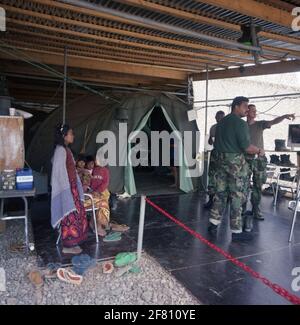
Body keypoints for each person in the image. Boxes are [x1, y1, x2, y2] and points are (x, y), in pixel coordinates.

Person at [209, 97, 265, 241]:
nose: (247, 110)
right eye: (245, 106)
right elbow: (246, 148)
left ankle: (213, 223)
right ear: (236, 107)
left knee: (220, 193)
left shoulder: (221, 123)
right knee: (237, 196)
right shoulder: (240, 124)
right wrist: (259, 150)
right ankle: (236, 231)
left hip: (220, 163)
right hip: (235, 165)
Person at [244, 105, 295, 221]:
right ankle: (241, 209)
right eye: (253, 111)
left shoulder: (260, 124)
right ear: (247, 112)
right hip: (244, 159)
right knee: (243, 185)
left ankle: (256, 209)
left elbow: (273, 121)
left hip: (258, 159)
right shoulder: (241, 126)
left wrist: (284, 116)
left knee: (258, 185)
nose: (255, 112)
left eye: (256, 111)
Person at [51, 124, 88, 255]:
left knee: (75, 214)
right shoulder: (60, 151)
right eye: (71, 133)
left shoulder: (66, 150)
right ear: (63, 136)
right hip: (67, 188)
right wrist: (67, 192)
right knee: (69, 216)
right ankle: (67, 246)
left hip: (72, 188)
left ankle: (74, 241)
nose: (73, 135)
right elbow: (59, 174)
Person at [204, 111, 225, 208]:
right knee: (212, 177)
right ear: (215, 117)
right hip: (214, 153)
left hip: (224, 155)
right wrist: (210, 139)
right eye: (218, 117)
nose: (219, 118)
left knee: (223, 178)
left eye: (222, 117)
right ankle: (211, 200)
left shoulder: (228, 127)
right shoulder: (213, 127)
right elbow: (210, 142)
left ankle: (224, 201)